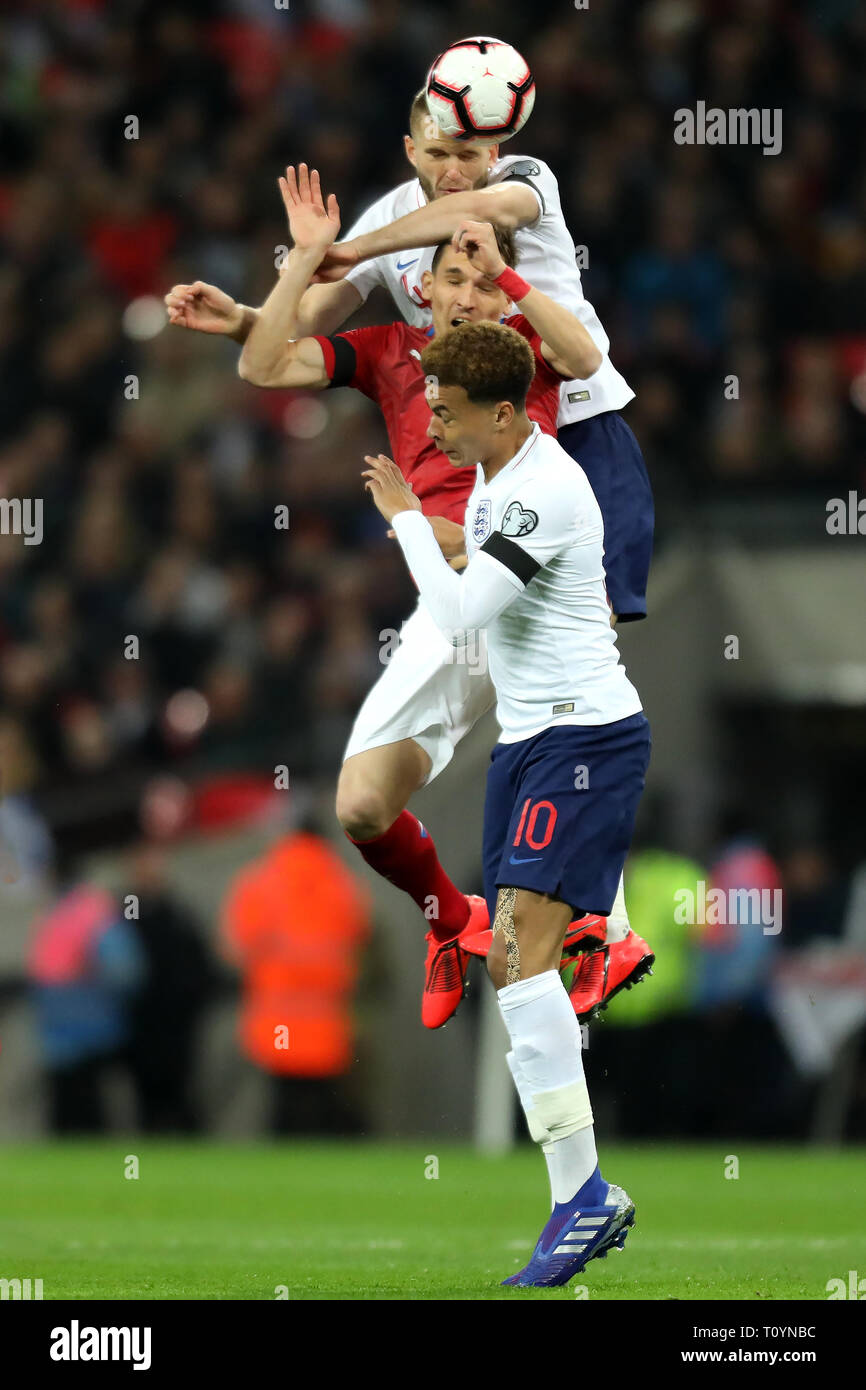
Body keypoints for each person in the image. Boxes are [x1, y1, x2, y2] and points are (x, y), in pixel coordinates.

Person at [165, 164, 652, 1028]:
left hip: (525, 584)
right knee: (359, 806)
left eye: (482, 278)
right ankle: (453, 919)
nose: (466, 295)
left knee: (571, 735)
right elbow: (264, 365)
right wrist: (300, 262)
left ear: (508, 292)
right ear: (420, 287)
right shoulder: (390, 352)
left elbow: (588, 356)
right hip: (451, 593)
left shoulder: (525, 352)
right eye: (451, 277)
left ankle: (604, 930)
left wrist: (506, 276)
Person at [364, 318, 650, 1287]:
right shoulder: (497, 471)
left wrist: (405, 516)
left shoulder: (542, 488)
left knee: (521, 948)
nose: (431, 427)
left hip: (584, 737)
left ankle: (581, 1194)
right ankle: (580, 1188)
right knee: (504, 961)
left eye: (443, 411)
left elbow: (451, 616)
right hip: (526, 741)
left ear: (498, 412)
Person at [220, 820, 372, 1136]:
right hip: (327, 1018)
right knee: (319, 1102)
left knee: (282, 1101)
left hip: (275, 1017)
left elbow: (234, 950)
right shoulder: (344, 885)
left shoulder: (259, 881)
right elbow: (361, 941)